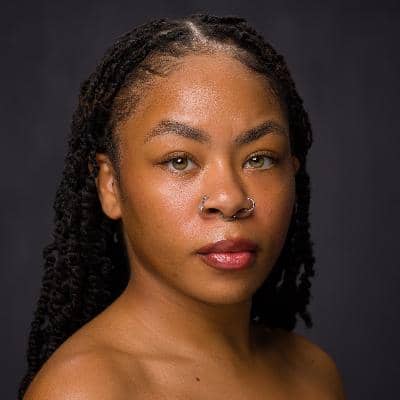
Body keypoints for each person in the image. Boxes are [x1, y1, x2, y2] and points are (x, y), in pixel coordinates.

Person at [19, 13, 346, 399]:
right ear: (110, 185)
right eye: (180, 161)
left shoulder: (313, 375)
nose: (230, 199)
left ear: (292, 170)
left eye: (259, 159)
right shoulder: (86, 391)